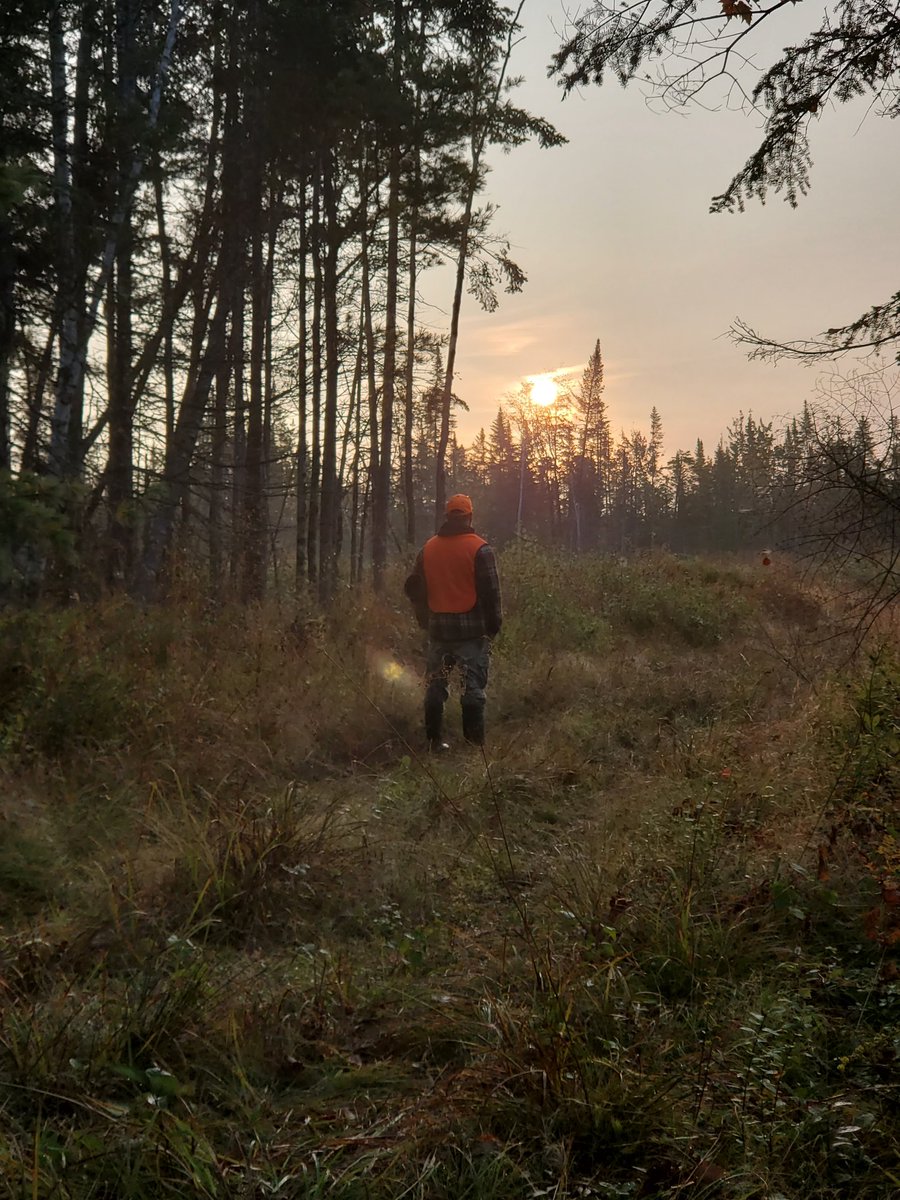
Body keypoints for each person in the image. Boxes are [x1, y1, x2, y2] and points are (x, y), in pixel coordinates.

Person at [404, 494, 502, 751]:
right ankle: (473, 747)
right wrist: (493, 627)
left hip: (439, 631)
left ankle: (433, 742)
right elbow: (492, 595)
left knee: (435, 686)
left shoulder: (428, 550)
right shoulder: (481, 549)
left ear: (447, 517)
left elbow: (416, 591)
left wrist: (425, 622)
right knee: (472, 688)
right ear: (469, 516)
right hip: (472, 632)